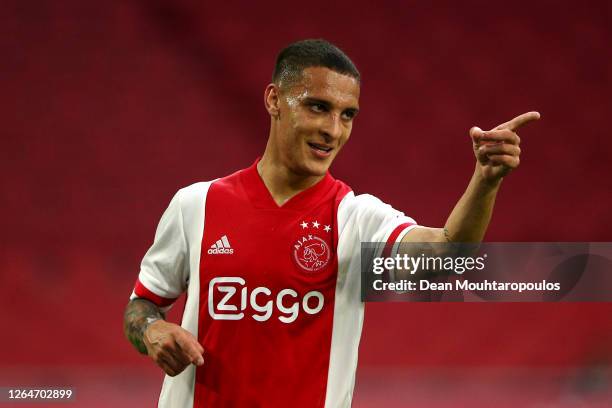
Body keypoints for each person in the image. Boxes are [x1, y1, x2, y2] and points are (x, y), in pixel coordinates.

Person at [123, 39, 539, 407]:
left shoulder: (355, 218)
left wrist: (485, 181)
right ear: (273, 99)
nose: (332, 130)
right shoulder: (196, 204)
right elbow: (141, 306)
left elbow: (447, 256)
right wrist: (152, 330)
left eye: (347, 114)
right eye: (318, 107)